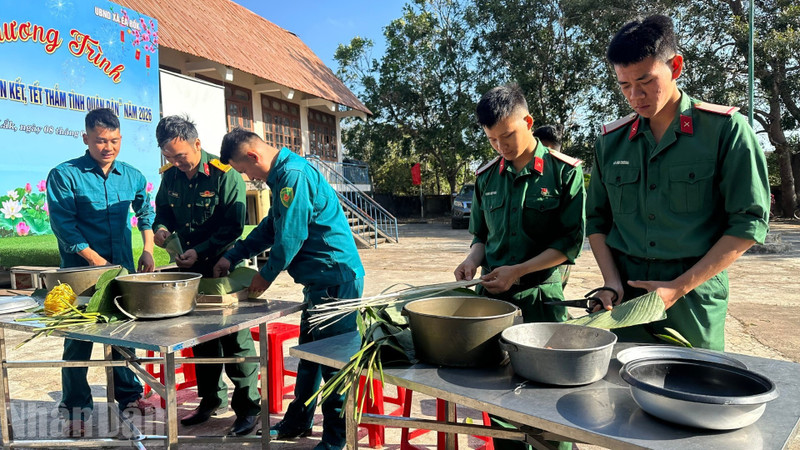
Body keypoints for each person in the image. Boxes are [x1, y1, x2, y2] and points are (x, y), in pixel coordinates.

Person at [586, 15, 770, 350]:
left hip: (693, 304)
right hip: (626, 303)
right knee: (617, 394)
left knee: (695, 394)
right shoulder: (611, 143)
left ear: (676, 67)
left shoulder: (724, 131)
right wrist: (611, 283)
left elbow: (749, 222)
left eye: (645, 81)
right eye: (624, 85)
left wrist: (679, 286)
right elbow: (596, 220)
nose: (635, 95)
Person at [212, 129, 365, 450]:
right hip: (318, 284)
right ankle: (299, 420)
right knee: (309, 357)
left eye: (244, 170)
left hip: (336, 281)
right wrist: (233, 254)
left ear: (253, 156)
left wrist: (265, 277)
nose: (248, 178)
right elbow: (271, 227)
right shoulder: (282, 177)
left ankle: (337, 438)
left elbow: (291, 237)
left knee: (333, 363)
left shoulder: (293, 176)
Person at [454, 84, 584, 450]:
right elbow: (480, 236)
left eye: (508, 135)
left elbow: (568, 245)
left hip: (543, 304)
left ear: (527, 121)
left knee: (552, 408)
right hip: (493, 308)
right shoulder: (486, 177)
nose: (502, 147)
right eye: (492, 140)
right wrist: (471, 261)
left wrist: (519, 270)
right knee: (499, 405)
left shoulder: (563, 173)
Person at [46, 108, 155, 437]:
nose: (108, 147)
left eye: (114, 140)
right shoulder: (64, 175)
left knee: (125, 337)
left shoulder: (132, 175)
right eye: (100, 141)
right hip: (81, 276)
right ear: (85, 139)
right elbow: (63, 225)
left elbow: (145, 212)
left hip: (122, 270)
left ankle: (129, 397)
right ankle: (76, 407)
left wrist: (148, 247)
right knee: (78, 340)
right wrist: (92, 259)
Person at [151, 115, 261, 436]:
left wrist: (200, 250)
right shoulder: (170, 176)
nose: (176, 162)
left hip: (223, 266)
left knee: (235, 339)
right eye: (168, 157)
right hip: (190, 271)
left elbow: (233, 227)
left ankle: (247, 409)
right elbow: (163, 213)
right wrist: (160, 229)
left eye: (180, 156)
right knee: (201, 339)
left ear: (197, 144)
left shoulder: (225, 176)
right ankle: (211, 401)